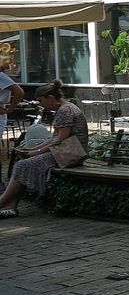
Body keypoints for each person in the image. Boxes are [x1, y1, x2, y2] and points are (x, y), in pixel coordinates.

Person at [0, 80, 88, 219]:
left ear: (51, 97)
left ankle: (2, 202)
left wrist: (36, 152)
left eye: (41, 101)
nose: (40, 104)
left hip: (70, 154)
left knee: (23, 165)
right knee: (22, 163)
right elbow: (55, 139)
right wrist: (32, 149)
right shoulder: (66, 108)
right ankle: (10, 205)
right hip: (67, 152)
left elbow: (59, 140)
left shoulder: (65, 111)